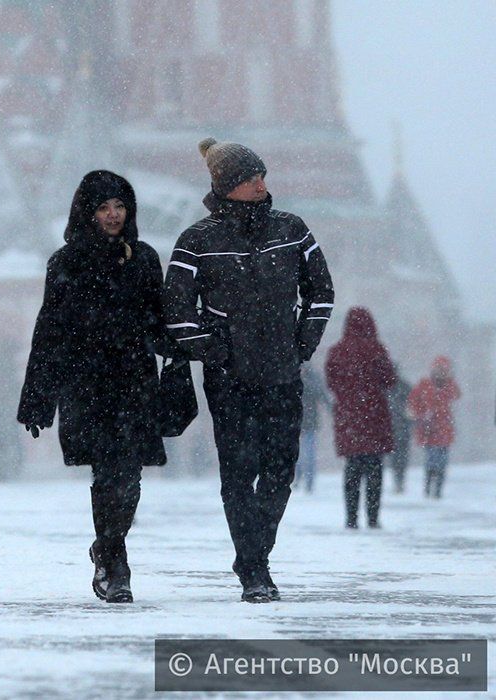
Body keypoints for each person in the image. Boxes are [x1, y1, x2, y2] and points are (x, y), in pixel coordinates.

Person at [163, 139, 334, 603]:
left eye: (261, 175)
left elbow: (321, 291)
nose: (260, 183)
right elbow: (176, 306)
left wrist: (303, 342)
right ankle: (255, 572)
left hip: (282, 372)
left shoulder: (292, 230)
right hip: (229, 380)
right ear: (225, 186)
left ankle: (253, 553)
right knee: (238, 474)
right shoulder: (197, 240)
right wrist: (212, 350)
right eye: (248, 178)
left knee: (281, 471)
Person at [19, 170, 174, 604]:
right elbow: (49, 330)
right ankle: (115, 563)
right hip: (86, 385)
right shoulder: (65, 263)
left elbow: (158, 320)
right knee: (107, 475)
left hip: (134, 382)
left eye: (120, 207)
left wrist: (183, 346)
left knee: (130, 479)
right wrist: (37, 399)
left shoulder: (143, 258)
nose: (113, 215)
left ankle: (106, 545)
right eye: (104, 208)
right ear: (87, 212)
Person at [325, 308, 397, 529]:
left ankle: (351, 517)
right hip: (374, 417)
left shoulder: (337, 351)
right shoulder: (376, 350)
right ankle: (373, 518)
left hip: (349, 419)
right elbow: (390, 380)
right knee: (375, 469)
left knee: (352, 469)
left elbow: (331, 383)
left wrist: (349, 397)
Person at [408, 356, 461, 499]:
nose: (441, 372)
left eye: (444, 370)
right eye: (439, 369)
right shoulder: (424, 385)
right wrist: (421, 415)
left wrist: (450, 381)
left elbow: (457, 395)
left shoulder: (448, 386)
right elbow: (413, 401)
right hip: (429, 429)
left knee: (442, 461)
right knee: (432, 459)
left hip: (444, 429)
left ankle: (437, 488)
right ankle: (429, 485)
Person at [295, 364, 328, 493]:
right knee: (302, 455)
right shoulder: (311, 379)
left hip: (305, 423)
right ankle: (300, 480)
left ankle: (306, 482)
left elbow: (320, 395)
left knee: (306, 455)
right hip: (301, 422)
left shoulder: (309, 379)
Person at [387, 368, 414, 494]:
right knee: (400, 457)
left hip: (396, 428)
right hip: (398, 428)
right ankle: (399, 480)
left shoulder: (386, 388)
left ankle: (399, 480)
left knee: (398, 457)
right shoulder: (404, 387)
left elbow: (413, 406)